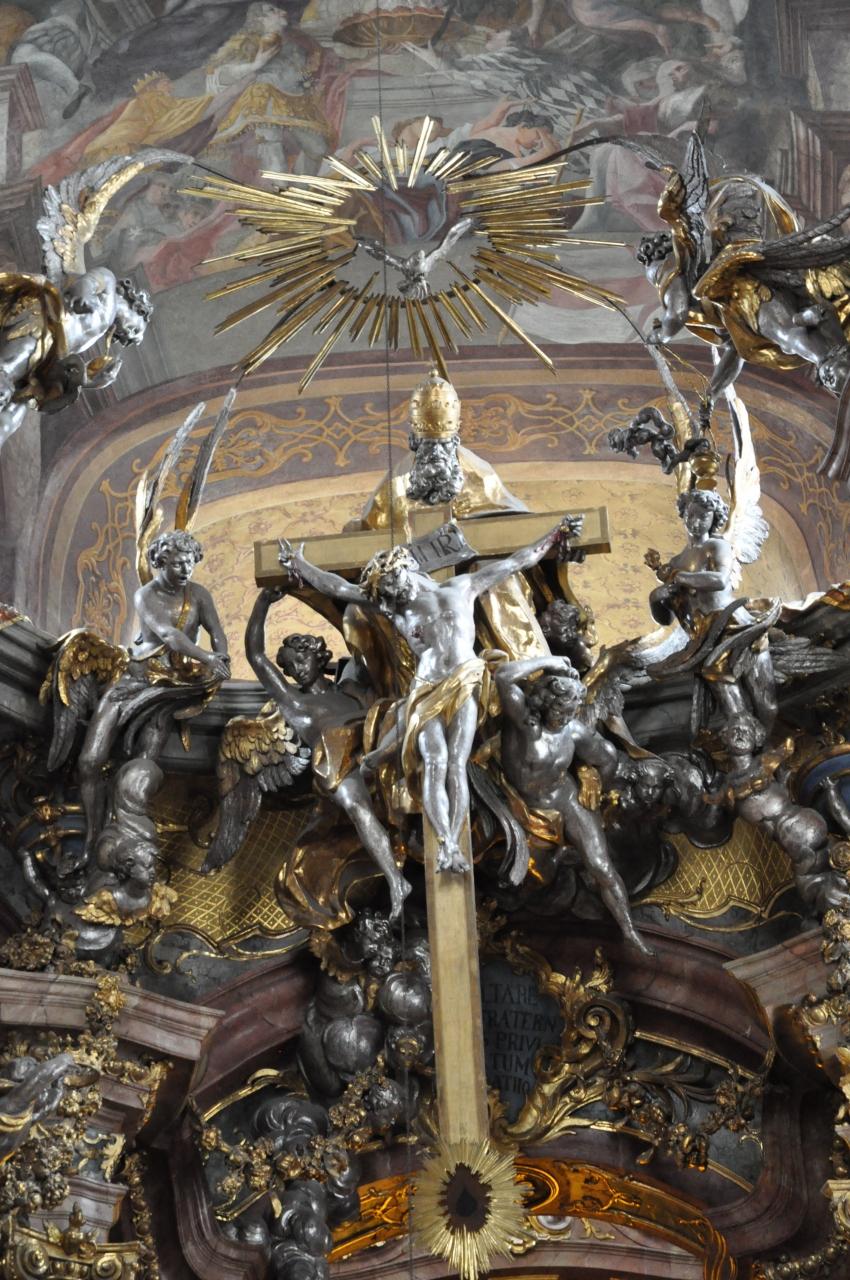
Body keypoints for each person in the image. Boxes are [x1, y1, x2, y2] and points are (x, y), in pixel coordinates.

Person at [281, 516, 580, 873]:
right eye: (386, 592)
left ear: (405, 568)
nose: (394, 596)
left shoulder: (462, 587)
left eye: (393, 585)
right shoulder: (397, 608)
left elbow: (516, 561)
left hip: (465, 680)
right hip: (425, 688)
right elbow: (341, 589)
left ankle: (454, 838)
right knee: (434, 762)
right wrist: (301, 565)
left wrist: (555, 536)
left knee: (456, 763)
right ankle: (447, 845)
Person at [244, 586, 412, 919]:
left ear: (317, 655)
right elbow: (256, 656)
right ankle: (396, 881)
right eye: (290, 667)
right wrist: (262, 603)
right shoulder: (296, 704)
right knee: (356, 807)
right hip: (339, 763)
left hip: (375, 744)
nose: (297, 669)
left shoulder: (349, 686)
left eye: (301, 659)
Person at [77, 530, 229, 856]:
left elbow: (217, 632)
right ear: (161, 562)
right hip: (135, 679)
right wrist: (208, 658)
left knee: (141, 767)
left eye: (189, 562)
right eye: (177, 563)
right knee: (90, 761)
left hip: (170, 689)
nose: (185, 569)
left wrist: (222, 659)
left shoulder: (198, 595)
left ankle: (123, 836)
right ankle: (90, 837)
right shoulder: (146, 595)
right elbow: (168, 634)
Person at [495, 654, 653, 956]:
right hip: (520, 804)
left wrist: (592, 782)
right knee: (533, 878)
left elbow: (608, 758)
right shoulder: (525, 721)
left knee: (601, 865)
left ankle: (629, 930)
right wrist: (550, 661)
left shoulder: (573, 731)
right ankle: (558, 859)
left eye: (571, 712)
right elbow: (503, 676)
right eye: (560, 711)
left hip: (565, 798)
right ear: (545, 703)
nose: (565, 717)